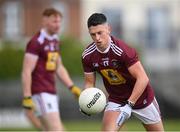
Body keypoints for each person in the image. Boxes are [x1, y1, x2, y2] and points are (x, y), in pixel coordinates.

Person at [81, 13, 164, 131]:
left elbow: (143, 78)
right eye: (93, 35)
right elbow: (89, 83)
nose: (97, 38)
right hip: (117, 99)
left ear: (108, 29)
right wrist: (86, 101)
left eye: (100, 33)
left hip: (141, 98)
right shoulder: (88, 55)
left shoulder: (123, 51)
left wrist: (129, 104)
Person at [21, 8, 81, 131]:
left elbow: (58, 67)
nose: (58, 25)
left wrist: (72, 87)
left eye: (59, 21)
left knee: (52, 130)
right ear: (44, 21)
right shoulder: (36, 42)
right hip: (40, 92)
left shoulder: (55, 40)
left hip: (51, 91)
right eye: (54, 21)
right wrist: (27, 97)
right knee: (56, 130)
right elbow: (26, 71)